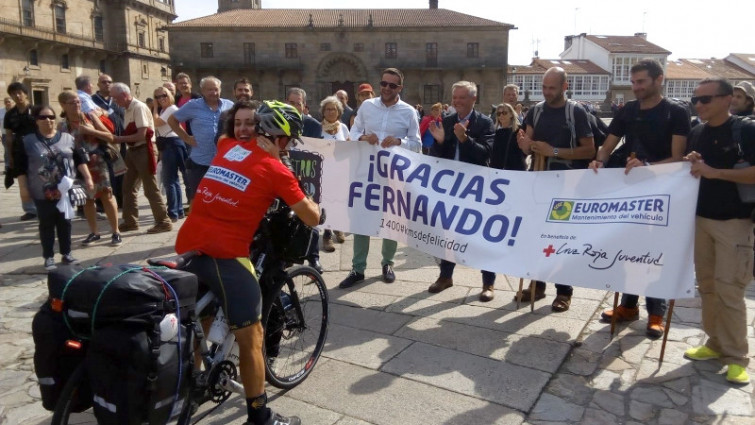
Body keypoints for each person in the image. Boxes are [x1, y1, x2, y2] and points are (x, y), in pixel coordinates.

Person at [176, 100, 318, 425]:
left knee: (203, 318)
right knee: (252, 336)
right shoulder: (276, 169)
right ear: (281, 138)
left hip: (189, 246)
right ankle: (260, 416)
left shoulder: (227, 147)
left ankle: (195, 382)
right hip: (225, 255)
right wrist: (316, 206)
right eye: (290, 138)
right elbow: (310, 215)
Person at [590, 58, 690, 338]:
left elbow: (679, 158)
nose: (635, 88)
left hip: (664, 193)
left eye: (641, 82)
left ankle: (656, 313)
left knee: (655, 254)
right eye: (633, 82)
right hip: (631, 191)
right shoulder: (628, 110)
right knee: (628, 249)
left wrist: (648, 169)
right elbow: (608, 144)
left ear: (659, 80)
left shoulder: (676, 112)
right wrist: (599, 161)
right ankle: (628, 306)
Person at [683, 77, 755, 385]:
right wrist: (693, 161)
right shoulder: (697, 131)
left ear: (727, 100)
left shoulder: (746, 130)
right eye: (695, 100)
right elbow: (697, 167)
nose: (698, 105)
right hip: (701, 220)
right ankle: (715, 343)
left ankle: (737, 356)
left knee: (730, 289)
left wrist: (716, 173)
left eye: (705, 99)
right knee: (708, 287)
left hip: (734, 223)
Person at [515, 67, 595, 312]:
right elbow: (526, 146)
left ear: (564, 86)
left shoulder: (576, 112)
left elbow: (589, 150)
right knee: (536, 236)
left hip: (566, 188)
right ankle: (536, 285)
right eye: (544, 87)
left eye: (552, 87)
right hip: (539, 184)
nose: (547, 92)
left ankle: (564, 291)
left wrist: (555, 151)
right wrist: (525, 145)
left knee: (561, 239)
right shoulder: (536, 112)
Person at [339, 67, 421, 289]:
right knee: (361, 219)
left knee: (391, 220)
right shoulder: (367, 106)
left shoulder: (408, 112)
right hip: (366, 173)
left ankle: (388, 264)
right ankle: (358, 268)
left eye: (392, 85)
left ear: (400, 88)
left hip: (393, 176)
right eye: (383, 83)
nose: (386, 88)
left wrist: (399, 142)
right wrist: (363, 137)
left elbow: (418, 145)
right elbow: (352, 133)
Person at [426, 81, 497, 301]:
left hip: (475, 188)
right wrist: (438, 142)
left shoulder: (484, 123)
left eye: (462, 98)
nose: (457, 102)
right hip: (450, 188)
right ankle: (445, 276)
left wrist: (465, 139)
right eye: (455, 98)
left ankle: (488, 283)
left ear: (473, 99)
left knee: (481, 236)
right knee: (448, 233)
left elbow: (485, 153)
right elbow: (438, 155)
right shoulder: (447, 121)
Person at [19, 105, 93, 269]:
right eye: (43, 117)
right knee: (46, 222)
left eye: (51, 117)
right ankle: (48, 256)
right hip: (41, 189)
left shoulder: (68, 138)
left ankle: (66, 253)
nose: (48, 121)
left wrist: (87, 178)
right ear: (36, 120)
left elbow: (79, 159)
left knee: (65, 221)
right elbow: (20, 167)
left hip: (65, 190)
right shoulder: (28, 141)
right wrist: (23, 189)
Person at [58, 91, 122, 246]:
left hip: (98, 161)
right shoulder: (62, 126)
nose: (77, 105)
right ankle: (94, 232)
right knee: (87, 199)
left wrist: (90, 131)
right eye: (72, 102)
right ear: (63, 105)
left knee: (107, 195)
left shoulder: (90, 117)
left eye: (78, 102)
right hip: (79, 166)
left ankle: (116, 232)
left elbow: (110, 136)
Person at [110, 82, 172, 234]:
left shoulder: (138, 107)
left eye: (115, 98)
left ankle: (163, 221)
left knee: (150, 188)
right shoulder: (127, 109)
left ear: (124, 95)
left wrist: (117, 139)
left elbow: (141, 134)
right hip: (133, 150)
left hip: (144, 149)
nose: (114, 102)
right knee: (128, 187)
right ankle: (130, 221)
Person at [168, 76, 233, 205]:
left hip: (224, 164)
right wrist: (185, 137)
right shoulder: (193, 105)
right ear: (202, 91)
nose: (213, 93)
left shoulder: (229, 105)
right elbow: (172, 120)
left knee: (224, 201)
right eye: (209, 90)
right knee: (198, 200)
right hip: (200, 163)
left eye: (216, 89)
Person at [286, 87, 324, 273]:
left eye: (297, 103)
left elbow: (320, 152)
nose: (294, 106)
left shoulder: (314, 126)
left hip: (308, 177)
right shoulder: (278, 122)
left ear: (304, 105)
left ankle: (313, 257)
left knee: (311, 217)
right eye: (291, 103)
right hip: (284, 176)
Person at [318, 95, 349, 252]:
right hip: (324, 171)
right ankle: (327, 235)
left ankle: (337, 227)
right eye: (328, 109)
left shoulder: (343, 128)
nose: (331, 112)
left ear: (339, 112)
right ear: (323, 112)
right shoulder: (318, 128)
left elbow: (349, 145)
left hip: (340, 170)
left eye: (334, 109)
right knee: (326, 203)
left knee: (339, 201)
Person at [4, 82, 39, 221]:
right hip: (19, 150)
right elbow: (8, 136)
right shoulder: (10, 115)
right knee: (22, 180)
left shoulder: (36, 110)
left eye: (19, 92)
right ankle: (29, 209)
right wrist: (10, 156)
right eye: (14, 94)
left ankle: (43, 205)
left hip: (36, 148)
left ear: (25, 93)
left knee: (39, 178)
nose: (17, 96)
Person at [152, 86, 187, 222]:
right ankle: (177, 210)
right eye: (158, 97)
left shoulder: (171, 109)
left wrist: (154, 107)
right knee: (173, 180)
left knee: (169, 180)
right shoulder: (164, 110)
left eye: (164, 95)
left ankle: (173, 212)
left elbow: (156, 122)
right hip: (169, 143)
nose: (161, 99)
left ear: (170, 95)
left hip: (172, 143)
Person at [92, 74, 126, 208]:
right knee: (106, 173)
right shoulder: (92, 101)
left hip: (120, 141)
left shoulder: (117, 100)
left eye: (109, 82)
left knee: (121, 172)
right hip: (103, 142)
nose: (107, 84)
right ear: (98, 84)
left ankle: (121, 201)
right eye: (104, 82)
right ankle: (103, 202)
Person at [215, 78, 255, 145]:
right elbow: (218, 140)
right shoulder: (225, 115)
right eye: (240, 90)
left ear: (251, 93)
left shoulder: (259, 113)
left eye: (246, 90)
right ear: (234, 92)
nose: (243, 92)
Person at [491, 103, 526, 171]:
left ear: (511, 114)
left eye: (504, 113)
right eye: (498, 113)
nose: (501, 115)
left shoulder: (519, 130)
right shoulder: (496, 132)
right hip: (497, 171)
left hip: (516, 170)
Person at [1, 97, 13, 175]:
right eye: (6, 102)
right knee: (7, 151)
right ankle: (7, 167)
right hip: (5, 134)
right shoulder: (1, 111)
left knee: (16, 151)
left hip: (15, 134)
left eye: (9, 101)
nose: (7, 103)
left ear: (12, 102)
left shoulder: (16, 111)